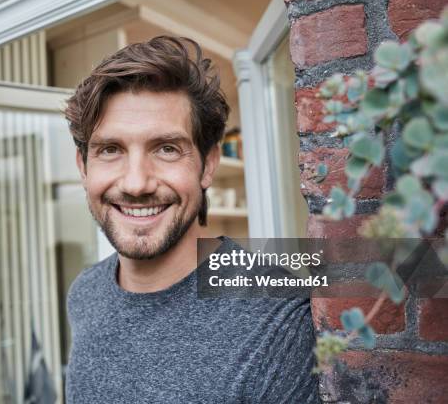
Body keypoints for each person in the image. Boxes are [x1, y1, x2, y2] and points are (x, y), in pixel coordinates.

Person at [64, 35, 319, 403]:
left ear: (207, 165)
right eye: (110, 150)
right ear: (83, 167)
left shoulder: (278, 317)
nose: (137, 183)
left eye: (167, 149)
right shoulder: (84, 293)